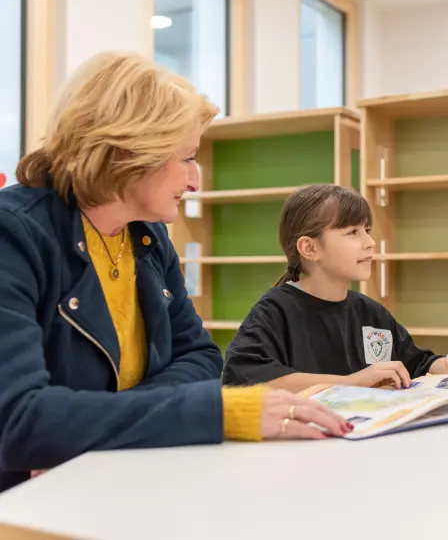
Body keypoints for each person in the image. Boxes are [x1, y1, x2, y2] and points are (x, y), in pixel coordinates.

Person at [0, 52, 349, 492]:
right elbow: (17, 421)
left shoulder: (147, 236)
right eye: (186, 158)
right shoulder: (13, 234)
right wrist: (222, 413)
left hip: (115, 477)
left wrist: (87, 428)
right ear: (129, 152)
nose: (195, 181)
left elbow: (201, 358)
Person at [221, 184, 448, 393]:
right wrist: (353, 382)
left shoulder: (370, 312)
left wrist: (446, 364)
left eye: (367, 230)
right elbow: (243, 380)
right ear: (310, 248)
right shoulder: (276, 310)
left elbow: (415, 363)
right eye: (353, 232)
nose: (370, 242)